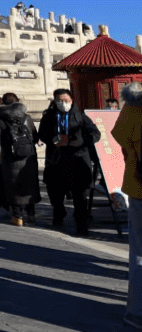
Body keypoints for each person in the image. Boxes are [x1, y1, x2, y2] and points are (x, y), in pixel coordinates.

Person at [38, 88, 100, 236]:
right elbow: (42, 134)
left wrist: (82, 141)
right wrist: (52, 140)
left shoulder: (81, 116)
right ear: (55, 101)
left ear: (72, 100)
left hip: (77, 159)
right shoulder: (49, 117)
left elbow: (95, 133)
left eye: (66, 100)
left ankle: (81, 224)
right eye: (60, 101)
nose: (63, 103)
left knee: (79, 195)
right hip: (56, 160)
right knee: (55, 193)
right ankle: (59, 214)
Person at [111, 82, 142, 330]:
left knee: (140, 254)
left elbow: (121, 138)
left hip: (140, 188)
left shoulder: (133, 106)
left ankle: (137, 313)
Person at [0, 93, 40, 226]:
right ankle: (31, 214)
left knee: (13, 186)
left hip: (9, 157)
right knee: (30, 185)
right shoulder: (27, 118)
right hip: (28, 157)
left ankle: (17, 216)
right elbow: (35, 136)